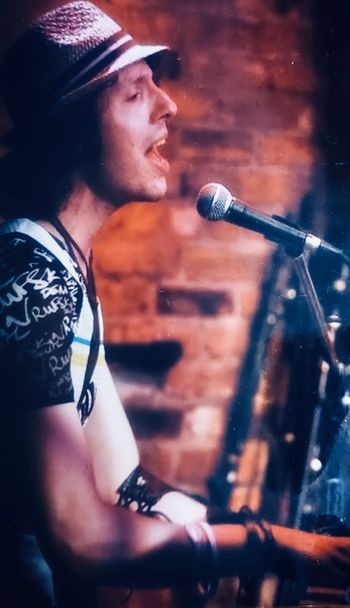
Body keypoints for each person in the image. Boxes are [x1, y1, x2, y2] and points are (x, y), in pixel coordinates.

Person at [0, 2, 349, 607]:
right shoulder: (28, 277)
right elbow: (80, 535)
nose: (169, 106)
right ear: (73, 126)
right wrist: (263, 544)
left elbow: (125, 483)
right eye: (136, 94)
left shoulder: (60, 264)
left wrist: (262, 534)